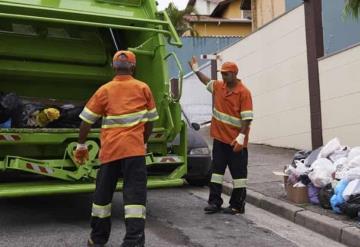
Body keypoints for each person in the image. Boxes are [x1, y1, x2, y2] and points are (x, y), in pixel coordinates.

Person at [74, 50, 159, 247]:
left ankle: (97, 239)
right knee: (135, 198)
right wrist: (143, 140)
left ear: (113, 66)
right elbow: (150, 122)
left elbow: (86, 121)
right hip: (134, 152)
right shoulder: (143, 88)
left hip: (110, 152)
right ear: (133, 67)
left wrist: (81, 144)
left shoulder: (105, 90)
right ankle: (133, 241)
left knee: (102, 197)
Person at [188, 56, 253, 215]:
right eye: (222, 73)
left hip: (235, 142)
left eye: (226, 74)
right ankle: (214, 202)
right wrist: (196, 70)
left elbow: (247, 118)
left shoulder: (243, 93)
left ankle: (237, 206)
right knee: (216, 173)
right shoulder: (219, 87)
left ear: (234, 74)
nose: (223, 76)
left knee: (239, 176)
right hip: (220, 140)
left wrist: (241, 137)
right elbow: (206, 81)